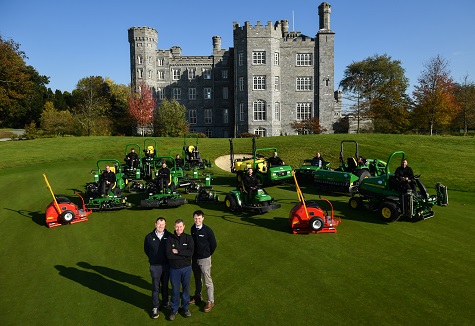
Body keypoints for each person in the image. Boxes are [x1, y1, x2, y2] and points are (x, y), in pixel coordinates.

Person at [166, 219, 194, 321]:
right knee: (175, 290)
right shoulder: (170, 239)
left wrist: (177, 252)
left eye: (180, 227)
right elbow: (169, 255)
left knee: (186, 289)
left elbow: (190, 253)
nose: (179, 229)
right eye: (177, 227)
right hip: (174, 269)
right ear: (174, 227)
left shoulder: (188, 238)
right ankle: (174, 309)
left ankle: (185, 308)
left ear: (184, 226)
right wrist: (183, 254)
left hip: (186, 268)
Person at [144, 217, 171, 319]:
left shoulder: (169, 236)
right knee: (156, 287)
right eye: (159, 224)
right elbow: (146, 250)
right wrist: (153, 259)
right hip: (155, 266)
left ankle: (165, 303)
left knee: (165, 286)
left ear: (165, 225)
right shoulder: (149, 237)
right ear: (155, 224)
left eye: (162, 224)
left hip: (166, 266)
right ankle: (155, 307)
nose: (160, 226)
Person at [190, 210, 217, 313]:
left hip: (205, 259)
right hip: (195, 259)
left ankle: (210, 301)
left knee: (207, 281)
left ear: (203, 218)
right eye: (196, 218)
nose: (197, 220)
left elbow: (213, 244)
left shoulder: (208, 231)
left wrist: (207, 254)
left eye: (199, 218)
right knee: (197, 279)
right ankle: (198, 296)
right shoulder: (193, 228)